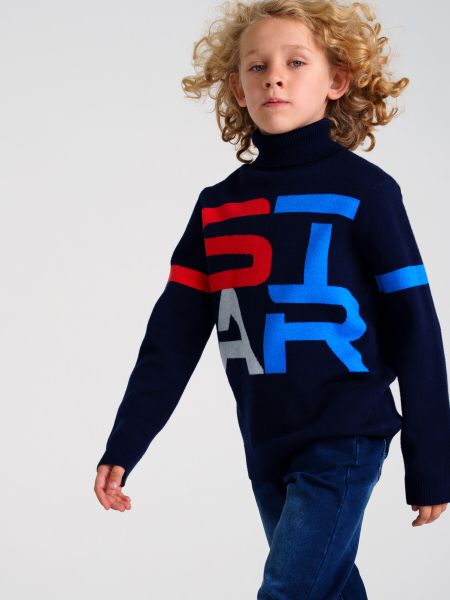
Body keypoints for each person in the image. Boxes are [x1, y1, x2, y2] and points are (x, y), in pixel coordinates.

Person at [94, 1, 449, 597]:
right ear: (237, 88)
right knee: (327, 588)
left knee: (289, 590)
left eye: (295, 62)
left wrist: (432, 456)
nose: (274, 78)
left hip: (345, 434)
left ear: (337, 80)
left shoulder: (367, 192)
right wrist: (126, 442)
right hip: (265, 438)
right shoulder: (216, 207)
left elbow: (417, 328)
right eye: (256, 67)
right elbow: (170, 339)